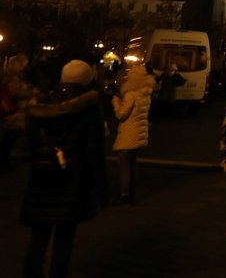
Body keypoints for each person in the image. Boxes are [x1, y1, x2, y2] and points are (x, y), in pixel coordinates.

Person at [20, 59, 107, 278]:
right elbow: (93, 151)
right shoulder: (88, 108)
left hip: (41, 178)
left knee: (38, 236)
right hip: (72, 180)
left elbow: (30, 143)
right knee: (64, 237)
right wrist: (100, 186)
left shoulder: (39, 104)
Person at [111, 64, 155, 205]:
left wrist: (116, 102)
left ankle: (124, 195)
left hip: (128, 134)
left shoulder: (131, 95)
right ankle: (130, 193)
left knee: (123, 165)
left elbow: (121, 114)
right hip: (139, 134)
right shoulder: (146, 94)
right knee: (131, 164)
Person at [1, 54, 31, 170]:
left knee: (9, 137)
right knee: (10, 136)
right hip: (12, 112)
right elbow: (14, 94)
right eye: (24, 63)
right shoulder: (14, 78)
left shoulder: (13, 77)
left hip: (12, 111)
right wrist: (30, 92)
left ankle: (4, 160)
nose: (26, 66)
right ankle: (4, 161)